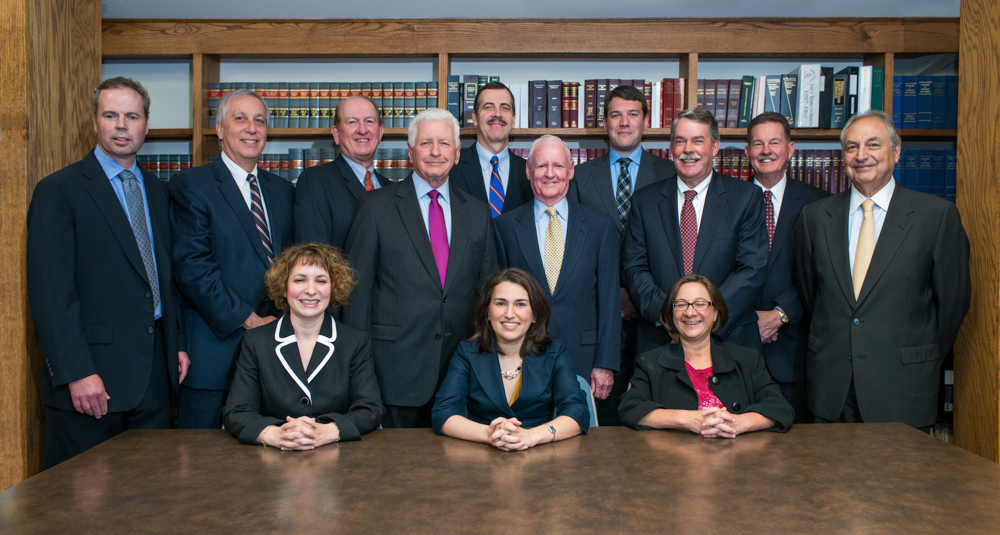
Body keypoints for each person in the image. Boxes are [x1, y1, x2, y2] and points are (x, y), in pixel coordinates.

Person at [27, 77, 187, 468]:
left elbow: (164, 277)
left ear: (146, 125)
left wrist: (177, 344)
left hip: (153, 379)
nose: (121, 126)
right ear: (94, 122)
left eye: (131, 116)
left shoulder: (157, 190)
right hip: (90, 383)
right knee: (82, 497)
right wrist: (76, 372)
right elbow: (51, 294)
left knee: (148, 493)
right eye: (111, 115)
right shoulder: (59, 191)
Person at [794, 109, 970, 429]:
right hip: (832, 388)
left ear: (896, 151)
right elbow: (811, 296)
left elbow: (952, 304)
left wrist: (916, 355)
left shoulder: (936, 216)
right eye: (851, 147)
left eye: (873, 144)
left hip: (903, 387)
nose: (861, 155)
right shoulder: (814, 218)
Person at [343, 108, 498, 428]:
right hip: (394, 373)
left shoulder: (478, 213)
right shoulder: (375, 207)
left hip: (461, 374)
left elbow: (489, 295)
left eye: (444, 143)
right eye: (426, 143)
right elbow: (356, 296)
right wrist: (358, 371)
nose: (435, 151)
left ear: (457, 153)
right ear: (410, 152)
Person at [168, 88, 295, 429]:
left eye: (259, 121)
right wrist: (250, 321)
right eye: (241, 119)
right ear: (220, 129)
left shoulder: (283, 190)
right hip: (214, 355)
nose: (251, 128)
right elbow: (194, 268)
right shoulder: (190, 185)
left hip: (273, 358)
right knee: (203, 458)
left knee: (267, 455)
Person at [569, 84, 676, 424]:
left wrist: (642, 296)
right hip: (600, 316)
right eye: (616, 115)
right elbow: (575, 248)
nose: (624, 122)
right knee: (605, 416)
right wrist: (612, 295)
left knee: (656, 412)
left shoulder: (671, 173)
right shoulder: (580, 177)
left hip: (658, 319)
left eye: (633, 114)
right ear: (605, 122)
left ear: (646, 121)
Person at [623, 107, 768, 355]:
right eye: (680, 141)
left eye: (698, 141)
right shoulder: (644, 201)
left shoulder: (746, 197)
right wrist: (669, 316)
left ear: (714, 147)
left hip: (729, 340)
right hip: (661, 341)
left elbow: (752, 268)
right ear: (671, 148)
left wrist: (708, 317)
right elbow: (634, 268)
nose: (688, 149)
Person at [493, 135, 620, 407]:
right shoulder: (505, 227)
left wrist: (605, 363)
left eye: (558, 165)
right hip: (522, 358)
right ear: (528, 171)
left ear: (571, 170)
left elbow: (610, 301)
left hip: (584, 360)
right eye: (541, 166)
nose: (550, 174)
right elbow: (499, 303)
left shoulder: (600, 226)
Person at [223, 243, 384, 448]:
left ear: (333, 288)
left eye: (321, 281)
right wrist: (275, 434)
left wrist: (329, 431)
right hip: (274, 457)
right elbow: (236, 412)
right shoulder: (256, 340)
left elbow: (370, 408)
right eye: (299, 280)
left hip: (338, 455)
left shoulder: (355, 341)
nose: (310, 290)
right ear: (284, 287)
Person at [433, 268, 589, 450]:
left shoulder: (555, 352)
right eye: (501, 303)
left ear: (534, 314)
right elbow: (443, 412)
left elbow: (577, 411)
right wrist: (490, 434)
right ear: (487, 312)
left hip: (539, 454)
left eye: (520, 304)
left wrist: (532, 436)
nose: (509, 313)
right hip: (480, 454)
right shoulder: (466, 352)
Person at [619, 274, 794, 435]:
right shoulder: (649, 362)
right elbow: (630, 409)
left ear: (716, 313)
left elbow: (780, 408)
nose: (690, 312)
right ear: (671, 315)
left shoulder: (747, 359)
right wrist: (686, 419)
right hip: (674, 457)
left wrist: (740, 423)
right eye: (681, 304)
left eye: (700, 303)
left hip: (739, 456)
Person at [745, 112, 829, 422]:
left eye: (774, 142)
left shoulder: (820, 205)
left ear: (790, 149)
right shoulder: (726, 200)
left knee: (796, 445)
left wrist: (781, 314)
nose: (766, 150)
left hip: (794, 350)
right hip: (737, 348)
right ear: (748, 152)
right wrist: (747, 318)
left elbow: (825, 272)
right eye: (758, 144)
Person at [294, 95, 388, 251]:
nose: (362, 130)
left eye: (369, 121)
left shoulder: (390, 188)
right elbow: (313, 255)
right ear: (336, 134)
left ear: (380, 132)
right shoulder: (316, 181)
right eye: (352, 122)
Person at [449, 81, 533, 217]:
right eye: (488, 107)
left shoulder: (530, 172)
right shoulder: (451, 166)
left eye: (504, 108)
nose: (497, 114)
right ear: (475, 118)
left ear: (513, 120)